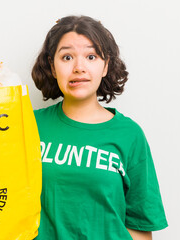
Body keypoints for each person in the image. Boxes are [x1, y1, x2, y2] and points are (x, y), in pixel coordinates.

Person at [31, 15, 168, 240]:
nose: (79, 67)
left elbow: (140, 224)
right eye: (67, 57)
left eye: (91, 56)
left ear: (105, 66)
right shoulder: (29, 125)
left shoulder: (129, 135)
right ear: (53, 67)